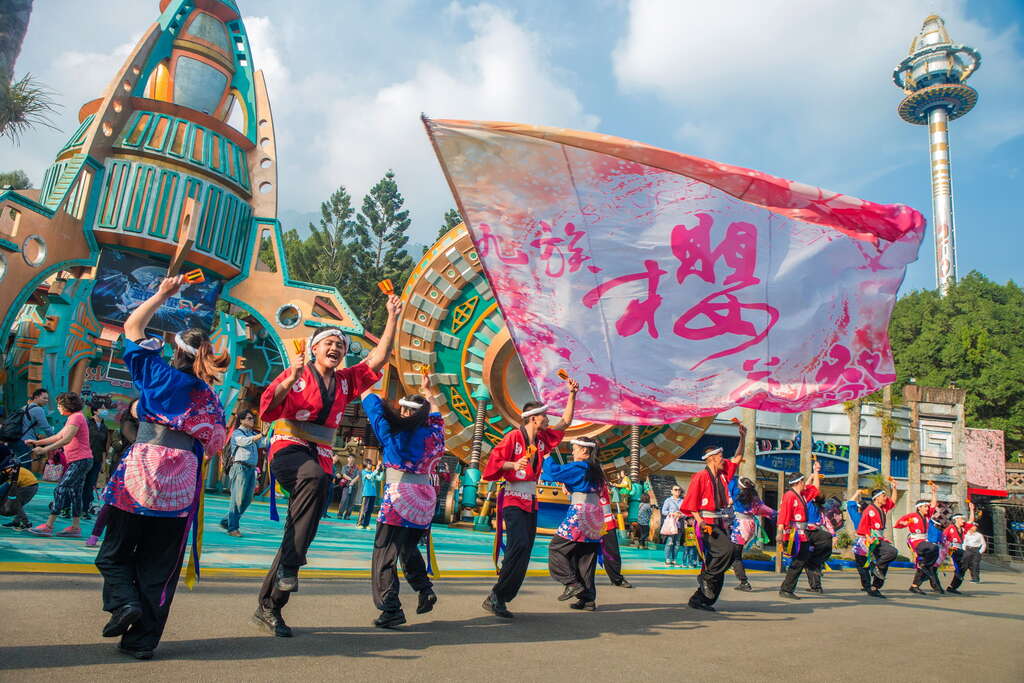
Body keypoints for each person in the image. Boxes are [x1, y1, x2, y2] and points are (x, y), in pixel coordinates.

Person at [94, 274, 228, 660]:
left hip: (141, 473)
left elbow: (132, 326)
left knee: (114, 552)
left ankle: (123, 604)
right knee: (160, 565)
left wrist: (163, 293)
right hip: (182, 484)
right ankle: (142, 641)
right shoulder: (211, 398)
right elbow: (216, 444)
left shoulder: (156, 373)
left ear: (175, 349)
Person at [253, 296, 401, 639]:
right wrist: (288, 383)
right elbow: (268, 409)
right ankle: (289, 568)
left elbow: (379, 357)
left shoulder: (347, 381)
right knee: (315, 478)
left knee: (301, 531)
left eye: (340, 344)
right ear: (315, 349)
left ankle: (271, 604)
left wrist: (392, 316)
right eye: (329, 343)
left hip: (318, 455)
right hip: (288, 448)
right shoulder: (297, 373)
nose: (335, 347)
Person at [481, 376, 579, 619]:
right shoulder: (513, 438)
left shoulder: (543, 440)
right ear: (534, 417)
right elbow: (491, 466)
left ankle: (500, 597)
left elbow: (566, 422)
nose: (548, 419)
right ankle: (497, 594)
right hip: (514, 498)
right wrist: (513, 463)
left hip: (531, 501)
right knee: (518, 546)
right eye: (545, 415)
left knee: (524, 551)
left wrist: (572, 394)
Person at [363, 373, 445, 628]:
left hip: (401, 497)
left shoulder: (393, 434)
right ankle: (424, 589)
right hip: (425, 500)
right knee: (408, 548)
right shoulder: (436, 434)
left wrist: (363, 384)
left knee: (384, 552)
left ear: (407, 413)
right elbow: (437, 414)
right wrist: (427, 392)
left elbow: (375, 409)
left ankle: (391, 609)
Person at [680, 421, 745, 612]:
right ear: (711, 458)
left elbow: (738, 457)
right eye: (720, 456)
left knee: (719, 560)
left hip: (719, 521)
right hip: (706, 523)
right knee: (728, 551)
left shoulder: (723, 475)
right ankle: (706, 578)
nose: (723, 458)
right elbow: (690, 504)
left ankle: (700, 600)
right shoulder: (700, 476)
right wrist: (700, 523)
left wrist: (743, 436)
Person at [543, 438, 605, 611]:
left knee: (556, 548)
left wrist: (547, 457)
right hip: (595, 515)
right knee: (585, 557)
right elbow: (582, 485)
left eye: (575, 449)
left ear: (585, 451)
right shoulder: (596, 470)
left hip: (580, 513)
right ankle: (588, 599)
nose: (572, 453)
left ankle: (571, 583)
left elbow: (554, 472)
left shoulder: (580, 466)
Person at [26, 392, 94, 538]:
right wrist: (37, 443)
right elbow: (58, 436)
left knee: (61, 488)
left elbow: (65, 440)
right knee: (75, 492)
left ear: (68, 405)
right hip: (82, 460)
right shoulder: (74, 417)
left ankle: (49, 525)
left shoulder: (76, 417)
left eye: (59, 404)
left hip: (80, 460)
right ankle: (75, 527)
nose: (57, 407)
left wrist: (43, 450)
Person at [776, 463, 822, 600]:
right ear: (799, 482)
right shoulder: (790, 495)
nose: (805, 484)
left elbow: (816, 489)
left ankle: (787, 588)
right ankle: (786, 589)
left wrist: (816, 471)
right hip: (793, 533)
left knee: (801, 560)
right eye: (803, 481)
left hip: (802, 532)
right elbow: (784, 514)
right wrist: (780, 532)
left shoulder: (802, 495)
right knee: (798, 561)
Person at [219, 410, 269, 537]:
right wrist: (260, 435)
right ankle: (233, 528)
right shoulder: (237, 433)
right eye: (249, 418)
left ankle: (227, 520)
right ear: (241, 420)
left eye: (253, 418)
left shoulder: (252, 434)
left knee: (247, 499)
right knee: (237, 499)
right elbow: (244, 442)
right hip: (240, 468)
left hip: (251, 469)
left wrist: (273, 435)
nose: (252, 420)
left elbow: (264, 443)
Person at [894, 481, 944, 595]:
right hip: (915, 541)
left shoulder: (927, 516)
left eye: (927, 506)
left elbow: (933, 504)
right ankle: (926, 567)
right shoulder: (912, 516)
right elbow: (899, 524)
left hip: (924, 540)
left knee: (925, 563)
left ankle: (915, 585)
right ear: (919, 507)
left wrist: (934, 492)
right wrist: (905, 522)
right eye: (924, 506)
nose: (927, 508)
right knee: (933, 549)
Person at [728, 475, 774, 592]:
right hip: (750, 524)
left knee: (735, 556)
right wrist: (776, 514)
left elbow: (730, 481)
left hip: (740, 525)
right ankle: (742, 580)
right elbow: (765, 509)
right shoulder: (754, 497)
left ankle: (744, 582)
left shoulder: (738, 494)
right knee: (735, 553)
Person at [856, 479, 900, 598]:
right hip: (871, 540)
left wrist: (894, 488)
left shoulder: (883, 508)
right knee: (892, 552)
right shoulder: (869, 510)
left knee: (884, 564)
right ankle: (876, 567)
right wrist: (868, 537)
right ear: (876, 498)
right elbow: (863, 526)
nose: (886, 497)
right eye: (883, 495)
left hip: (880, 539)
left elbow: (893, 501)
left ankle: (875, 587)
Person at [799, 464, 833, 594]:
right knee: (814, 562)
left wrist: (814, 474)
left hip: (807, 533)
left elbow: (809, 487)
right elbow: (812, 488)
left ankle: (815, 586)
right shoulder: (818, 508)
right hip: (818, 534)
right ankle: (816, 586)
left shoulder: (806, 502)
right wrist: (815, 474)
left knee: (806, 560)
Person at [599, 474, 632, 589]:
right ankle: (576, 581)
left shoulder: (599, 480)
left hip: (604, 523)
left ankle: (616, 578)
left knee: (611, 552)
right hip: (587, 522)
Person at [6, 388, 52, 467]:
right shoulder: (38, 410)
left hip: (13, 439)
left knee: (15, 466)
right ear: (36, 398)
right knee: (25, 466)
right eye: (44, 398)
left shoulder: (25, 407)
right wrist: (55, 437)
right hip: (24, 441)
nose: (46, 400)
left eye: (47, 398)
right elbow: (46, 427)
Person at [1, 446, 38, 530]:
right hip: (28, 484)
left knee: (15, 504)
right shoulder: (7, 469)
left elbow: (5, 487)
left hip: (28, 486)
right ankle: (16, 522)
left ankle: (26, 523)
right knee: (17, 503)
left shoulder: (8, 470)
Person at [83, 405, 110, 519]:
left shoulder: (104, 427)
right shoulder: (87, 423)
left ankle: (85, 509)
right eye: (102, 408)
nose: (105, 411)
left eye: (106, 409)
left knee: (90, 484)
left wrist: (103, 464)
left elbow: (104, 448)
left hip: (97, 460)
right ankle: (68, 507)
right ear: (95, 410)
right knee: (79, 483)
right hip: (84, 458)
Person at [944, 502, 975, 594]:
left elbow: (971, 521)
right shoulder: (950, 528)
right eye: (961, 519)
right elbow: (943, 538)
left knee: (961, 569)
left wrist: (972, 510)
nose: (963, 521)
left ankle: (952, 587)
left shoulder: (963, 528)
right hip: (952, 548)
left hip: (960, 549)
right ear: (956, 519)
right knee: (968, 555)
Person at [846, 493, 872, 592]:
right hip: (871, 541)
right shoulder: (870, 517)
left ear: (859, 509)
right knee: (867, 564)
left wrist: (856, 492)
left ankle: (866, 585)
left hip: (861, 542)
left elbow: (849, 503)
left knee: (861, 565)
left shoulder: (857, 516)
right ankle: (869, 584)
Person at [661, 485, 684, 566]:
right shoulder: (668, 500)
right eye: (675, 489)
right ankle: (667, 559)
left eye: (679, 490)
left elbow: (687, 512)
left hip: (679, 524)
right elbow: (663, 511)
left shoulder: (683, 501)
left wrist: (682, 515)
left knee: (677, 543)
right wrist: (672, 514)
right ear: (672, 491)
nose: (677, 491)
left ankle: (674, 560)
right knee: (670, 542)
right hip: (671, 524)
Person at [357, 458, 384, 528]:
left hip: (373, 494)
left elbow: (380, 478)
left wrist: (382, 471)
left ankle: (366, 524)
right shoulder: (364, 472)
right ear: (365, 464)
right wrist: (377, 469)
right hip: (366, 494)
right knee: (364, 509)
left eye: (371, 464)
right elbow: (370, 477)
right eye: (369, 463)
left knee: (369, 510)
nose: (371, 465)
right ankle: (359, 523)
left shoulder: (372, 472)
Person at [336, 454, 360, 520]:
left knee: (351, 501)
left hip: (354, 486)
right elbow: (343, 475)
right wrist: (350, 480)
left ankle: (347, 515)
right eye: (350, 458)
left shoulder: (357, 467)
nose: (351, 459)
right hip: (346, 486)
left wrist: (353, 481)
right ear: (348, 459)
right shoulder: (344, 467)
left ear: (354, 459)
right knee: (344, 500)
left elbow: (358, 476)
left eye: (353, 458)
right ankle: (340, 514)